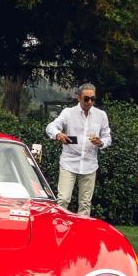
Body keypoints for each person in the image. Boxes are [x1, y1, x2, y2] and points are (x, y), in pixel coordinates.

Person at [44, 83, 112, 217]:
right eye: (86, 99)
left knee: (85, 203)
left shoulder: (101, 115)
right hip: (69, 162)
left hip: (89, 164)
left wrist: (101, 142)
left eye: (93, 99)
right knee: (63, 199)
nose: (90, 102)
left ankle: (82, 234)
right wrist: (58, 134)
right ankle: (58, 229)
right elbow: (51, 126)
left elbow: (107, 137)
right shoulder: (68, 113)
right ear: (79, 98)